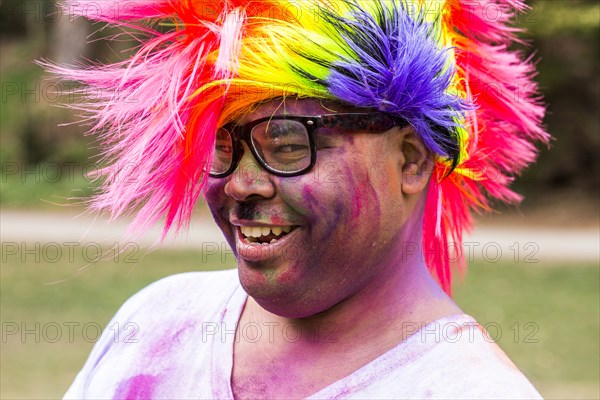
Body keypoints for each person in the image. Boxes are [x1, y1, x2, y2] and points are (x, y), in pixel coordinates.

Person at [48, 0, 549, 398]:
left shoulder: (468, 389)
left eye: (288, 143)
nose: (241, 185)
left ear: (412, 159)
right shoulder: (154, 326)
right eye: (221, 147)